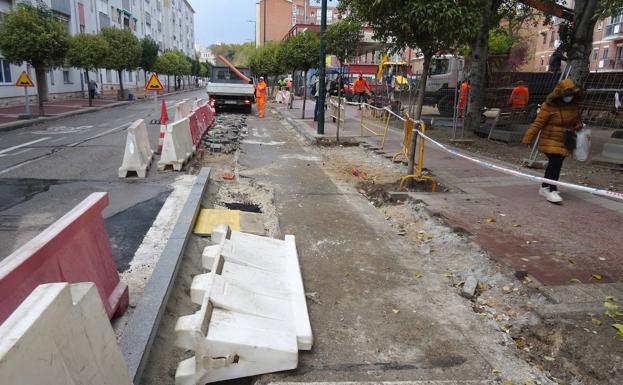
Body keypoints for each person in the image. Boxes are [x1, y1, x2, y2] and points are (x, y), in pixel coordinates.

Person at [522, 79, 583, 204]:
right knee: (555, 162)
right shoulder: (549, 106)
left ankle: (545, 187)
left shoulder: (573, 106)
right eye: (567, 95)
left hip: (565, 140)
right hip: (549, 140)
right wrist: (528, 138)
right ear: (560, 94)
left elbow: (576, 121)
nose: (569, 98)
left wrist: (578, 126)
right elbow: (537, 123)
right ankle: (552, 190)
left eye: (571, 95)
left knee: (556, 163)